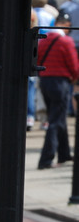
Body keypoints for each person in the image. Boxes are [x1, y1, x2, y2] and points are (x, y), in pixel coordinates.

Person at [37, 11, 79, 168]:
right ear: (65, 25)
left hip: (45, 81)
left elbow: (38, 58)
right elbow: (74, 65)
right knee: (55, 120)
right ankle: (46, 159)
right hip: (60, 82)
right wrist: (75, 77)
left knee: (58, 117)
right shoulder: (66, 41)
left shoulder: (44, 40)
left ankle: (64, 154)